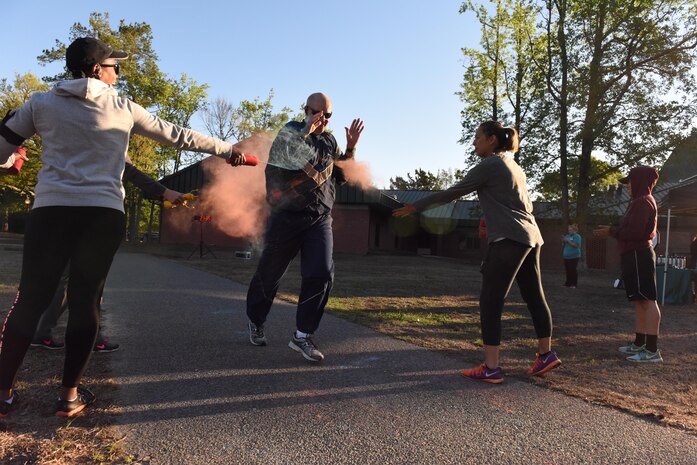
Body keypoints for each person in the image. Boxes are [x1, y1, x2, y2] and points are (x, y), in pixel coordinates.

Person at [0, 37, 246, 418]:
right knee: (85, 301)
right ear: (97, 69)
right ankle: (68, 398)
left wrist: (12, 157)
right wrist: (229, 150)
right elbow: (179, 134)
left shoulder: (39, 103)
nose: (119, 72)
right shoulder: (124, 108)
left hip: (51, 211)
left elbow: (2, 148)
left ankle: (2, 395)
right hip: (102, 215)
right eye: (115, 65)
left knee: (30, 299)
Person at [394, 120, 561, 384]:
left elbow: (454, 192)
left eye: (477, 137)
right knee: (533, 296)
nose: (474, 142)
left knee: (490, 301)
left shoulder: (491, 164)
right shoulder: (513, 165)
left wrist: (416, 207)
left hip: (508, 239)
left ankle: (491, 368)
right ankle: (546, 354)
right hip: (531, 237)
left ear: (492, 139)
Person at [245, 92, 364, 362]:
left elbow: (341, 178)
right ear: (307, 110)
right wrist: (304, 132)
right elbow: (282, 161)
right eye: (317, 112)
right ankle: (256, 318)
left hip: (319, 218)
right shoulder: (290, 131)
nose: (322, 118)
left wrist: (350, 149)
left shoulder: (329, 141)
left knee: (321, 273)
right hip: (286, 217)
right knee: (270, 273)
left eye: (328, 114)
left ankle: (302, 335)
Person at [31, 162, 185, 353]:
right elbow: (129, 169)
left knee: (66, 278)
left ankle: (42, 332)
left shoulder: (71, 137)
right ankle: (91, 338)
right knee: (92, 283)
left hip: (61, 210)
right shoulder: (110, 135)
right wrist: (164, 191)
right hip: (95, 214)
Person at [593, 166, 663, 363]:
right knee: (639, 300)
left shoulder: (643, 202)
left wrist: (611, 231)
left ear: (640, 181)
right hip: (633, 255)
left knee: (648, 300)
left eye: (630, 182)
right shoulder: (637, 202)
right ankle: (640, 343)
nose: (628, 186)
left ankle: (651, 350)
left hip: (639, 254)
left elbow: (634, 232)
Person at [562, 223, 582, 288]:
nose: (569, 231)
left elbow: (576, 245)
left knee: (572, 270)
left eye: (571, 230)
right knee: (568, 270)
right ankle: (567, 283)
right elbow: (564, 245)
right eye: (569, 230)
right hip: (566, 257)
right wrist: (563, 241)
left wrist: (568, 241)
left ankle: (574, 284)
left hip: (574, 256)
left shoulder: (577, 236)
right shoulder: (567, 236)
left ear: (575, 230)